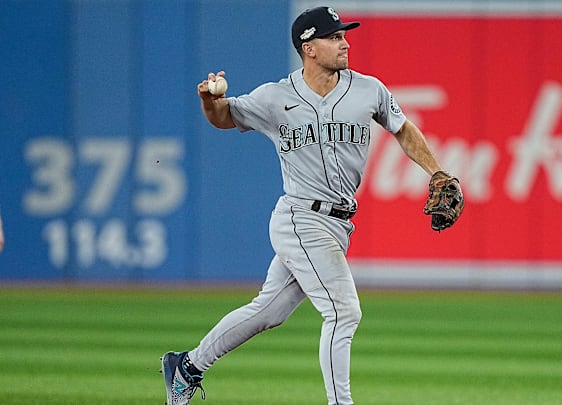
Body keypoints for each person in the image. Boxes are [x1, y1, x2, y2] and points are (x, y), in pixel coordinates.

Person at [161, 6, 461, 405]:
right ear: (309, 48)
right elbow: (224, 116)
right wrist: (208, 99)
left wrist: (436, 172)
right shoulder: (275, 97)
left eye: (343, 34)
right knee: (343, 311)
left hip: (339, 225)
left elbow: (403, 129)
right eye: (334, 36)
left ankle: (187, 367)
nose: (345, 42)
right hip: (300, 218)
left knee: (269, 311)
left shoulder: (368, 89)